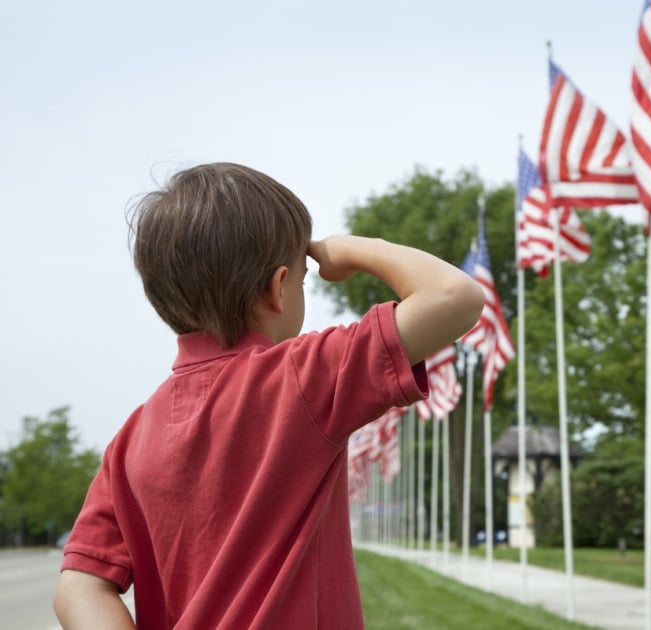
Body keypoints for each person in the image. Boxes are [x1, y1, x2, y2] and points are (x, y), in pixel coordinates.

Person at [53, 162, 485, 629]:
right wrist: (356, 250)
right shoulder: (301, 377)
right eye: (303, 278)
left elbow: (78, 586)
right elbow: (453, 296)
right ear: (279, 288)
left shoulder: (130, 440)